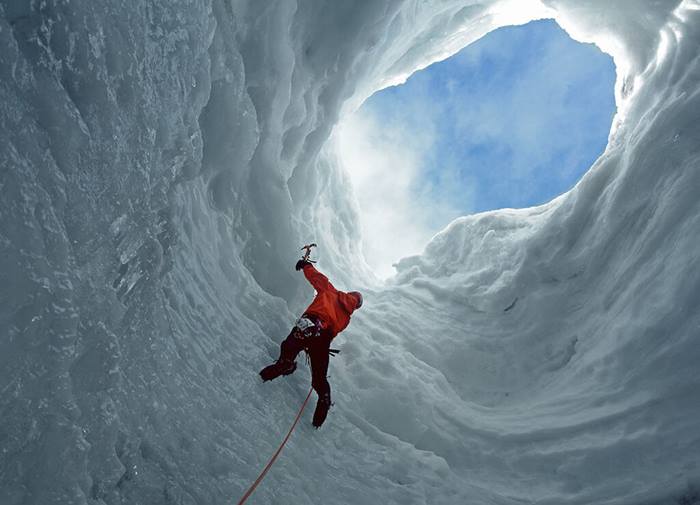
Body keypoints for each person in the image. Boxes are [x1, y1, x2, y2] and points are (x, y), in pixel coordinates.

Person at [260, 259, 363, 428]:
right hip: (323, 338)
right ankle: (324, 398)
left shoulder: (332, 292)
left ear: (349, 293)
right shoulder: (346, 318)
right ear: (356, 306)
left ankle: (284, 365)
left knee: (289, 347)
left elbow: (317, 278)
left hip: (311, 323)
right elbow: (333, 330)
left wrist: (306, 265)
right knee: (319, 378)